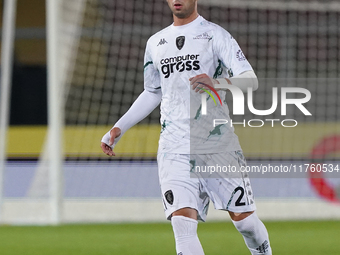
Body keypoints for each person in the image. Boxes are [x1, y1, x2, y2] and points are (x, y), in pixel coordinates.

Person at [101, 0, 272, 254]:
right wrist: (119, 127)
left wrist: (216, 82)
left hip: (217, 144)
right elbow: (152, 92)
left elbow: (250, 81)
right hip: (174, 146)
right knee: (182, 223)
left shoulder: (215, 35)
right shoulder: (155, 43)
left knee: (245, 222)